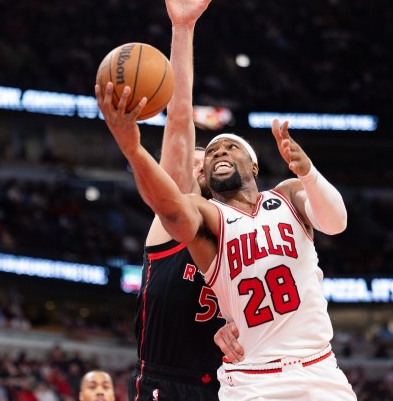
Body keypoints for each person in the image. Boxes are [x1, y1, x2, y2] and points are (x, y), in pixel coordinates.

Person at [95, 80, 357, 399]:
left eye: (230, 147)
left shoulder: (288, 194)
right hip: (254, 379)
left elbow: (336, 222)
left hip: (320, 367)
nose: (219, 151)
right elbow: (171, 208)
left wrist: (309, 174)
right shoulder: (209, 216)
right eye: (213, 152)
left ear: (254, 165)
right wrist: (132, 149)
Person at [129, 0, 242, 401]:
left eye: (207, 158)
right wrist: (182, 30)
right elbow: (178, 121)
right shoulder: (176, 215)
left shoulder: (246, 232)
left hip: (229, 383)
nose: (199, 163)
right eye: (195, 158)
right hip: (167, 380)